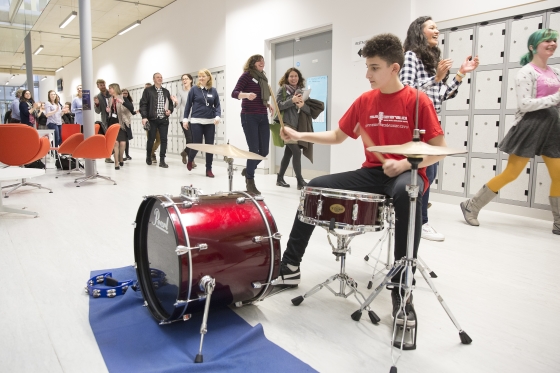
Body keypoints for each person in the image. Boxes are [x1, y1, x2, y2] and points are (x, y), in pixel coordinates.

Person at [273, 34, 445, 326]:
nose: (367, 74)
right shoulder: (365, 101)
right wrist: (300, 134)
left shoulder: (417, 101)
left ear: (394, 68)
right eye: (367, 67)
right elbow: (339, 136)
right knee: (313, 188)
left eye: (374, 68)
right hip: (372, 172)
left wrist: (405, 163)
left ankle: (402, 290)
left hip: (407, 172)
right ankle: (290, 266)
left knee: (407, 194)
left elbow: (439, 149)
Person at [461, 28, 560, 236]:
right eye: (547, 41)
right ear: (533, 47)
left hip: (553, 129)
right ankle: (472, 205)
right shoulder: (526, 72)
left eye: (554, 40)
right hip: (530, 127)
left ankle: (558, 222)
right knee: (512, 173)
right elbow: (524, 104)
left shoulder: (554, 72)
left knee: (558, 175)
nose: (552, 44)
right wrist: (555, 99)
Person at [400, 16, 480, 242]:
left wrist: (460, 74)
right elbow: (406, 92)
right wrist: (436, 78)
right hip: (416, 124)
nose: (437, 31)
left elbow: (442, 94)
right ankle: (420, 222)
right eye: (432, 27)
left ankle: (418, 219)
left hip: (431, 122)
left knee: (429, 173)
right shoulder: (410, 57)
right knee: (426, 173)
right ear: (419, 31)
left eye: (437, 27)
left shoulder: (430, 59)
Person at [231, 54, 275, 195]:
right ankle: (250, 180)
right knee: (254, 150)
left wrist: (268, 104)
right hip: (249, 116)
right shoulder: (247, 76)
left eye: (263, 61)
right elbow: (234, 93)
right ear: (252, 63)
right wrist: (246, 95)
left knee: (264, 151)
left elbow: (262, 96)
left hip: (262, 115)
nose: (262, 63)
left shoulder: (263, 77)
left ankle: (248, 170)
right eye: (258, 61)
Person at [275, 67, 313, 190]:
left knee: (288, 153)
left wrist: (302, 105)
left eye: (295, 76)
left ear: (299, 78)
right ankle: (300, 180)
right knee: (296, 151)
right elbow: (278, 106)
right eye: (291, 76)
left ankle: (279, 178)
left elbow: (309, 110)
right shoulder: (283, 90)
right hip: (285, 125)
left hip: (297, 127)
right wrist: (292, 100)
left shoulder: (302, 91)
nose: (293, 78)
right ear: (287, 78)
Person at [183, 69, 221, 178]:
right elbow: (188, 105)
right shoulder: (194, 90)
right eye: (199, 76)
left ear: (208, 77)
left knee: (209, 146)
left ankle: (209, 169)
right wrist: (185, 119)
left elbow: (217, 105)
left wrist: (217, 116)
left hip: (210, 121)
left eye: (203, 76)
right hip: (196, 121)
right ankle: (190, 159)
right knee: (197, 144)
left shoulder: (213, 91)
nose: (201, 78)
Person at [140, 73, 174, 168]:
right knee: (151, 139)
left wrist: (169, 110)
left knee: (164, 139)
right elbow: (143, 104)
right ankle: (148, 156)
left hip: (163, 119)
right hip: (152, 119)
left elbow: (170, 104)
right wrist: (144, 117)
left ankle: (162, 160)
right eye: (157, 77)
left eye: (161, 77)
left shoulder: (166, 91)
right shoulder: (148, 91)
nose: (160, 78)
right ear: (153, 79)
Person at [107, 83, 136, 170]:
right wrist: (108, 110)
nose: (109, 90)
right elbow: (111, 111)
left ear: (115, 89)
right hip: (113, 122)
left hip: (122, 123)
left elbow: (131, 108)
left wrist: (122, 102)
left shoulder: (123, 98)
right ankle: (116, 162)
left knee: (123, 143)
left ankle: (120, 158)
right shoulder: (110, 99)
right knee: (115, 143)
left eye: (110, 88)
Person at [171, 74, 197, 168]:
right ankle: (192, 160)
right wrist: (176, 101)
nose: (184, 80)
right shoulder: (180, 92)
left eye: (186, 79)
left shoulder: (196, 90)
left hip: (195, 118)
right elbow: (177, 107)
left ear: (191, 80)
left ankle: (185, 152)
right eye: (183, 79)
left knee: (195, 140)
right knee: (190, 139)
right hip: (184, 119)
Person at [140, 82, 161, 165]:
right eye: (146, 88)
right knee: (150, 140)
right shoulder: (143, 99)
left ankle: (152, 153)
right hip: (149, 122)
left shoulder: (156, 97)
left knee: (159, 140)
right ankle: (151, 156)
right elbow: (142, 108)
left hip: (158, 121)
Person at [94, 79, 114, 163]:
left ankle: (118, 155)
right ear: (98, 86)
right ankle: (108, 156)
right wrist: (97, 104)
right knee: (108, 138)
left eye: (103, 84)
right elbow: (97, 111)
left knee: (116, 137)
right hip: (105, 119)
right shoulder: (97, 97)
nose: (103, 86)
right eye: (100, 85)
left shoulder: (111, 93)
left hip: (114, 117)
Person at [122, 89, 134, 160]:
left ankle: (127, 154)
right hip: (121, 122)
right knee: (121, 139)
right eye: (124, 93)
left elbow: (131, 110)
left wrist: (136, 112)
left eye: (126, 93)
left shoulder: (129, 102)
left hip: (127, 122)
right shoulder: (119, 101)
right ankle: (121, 155)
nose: (125, 95)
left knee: (126, 139)